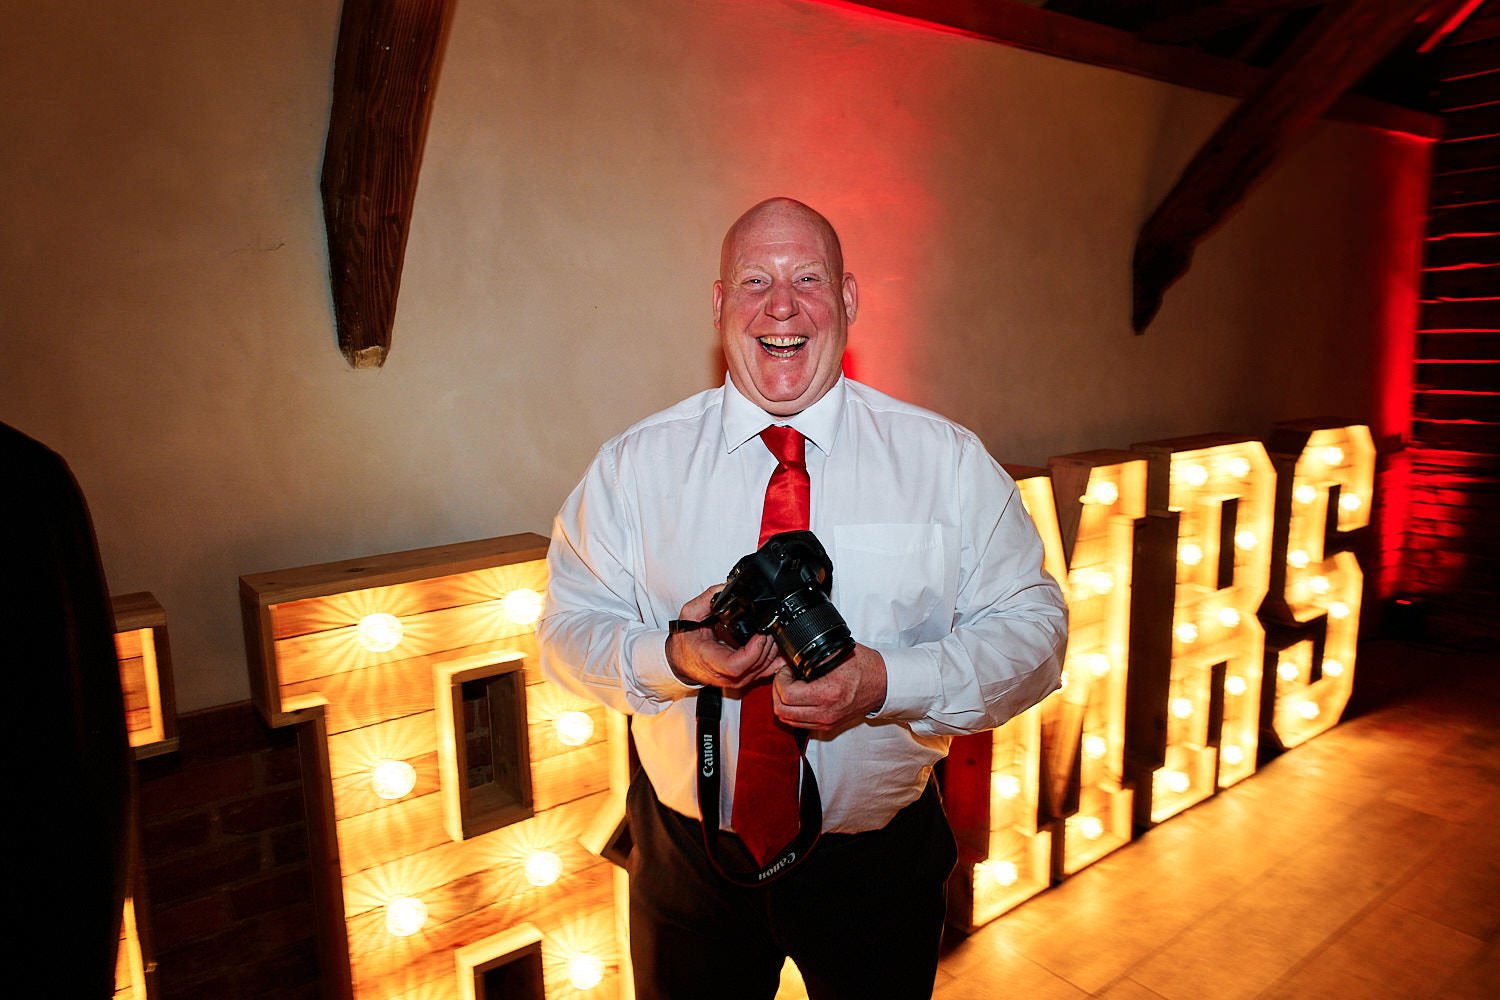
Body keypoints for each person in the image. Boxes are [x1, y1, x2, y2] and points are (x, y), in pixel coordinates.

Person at [539, 197, 1066, 999]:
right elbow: (565, 635)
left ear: (848, 300)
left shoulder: (947, 463)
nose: (779, 306)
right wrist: (676, 655)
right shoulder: (633, 468)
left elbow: (1037, 633)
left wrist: (887, 682)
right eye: (754, 280)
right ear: (720, 306)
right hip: (688, 868)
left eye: (806, 279)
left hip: (879, 870)